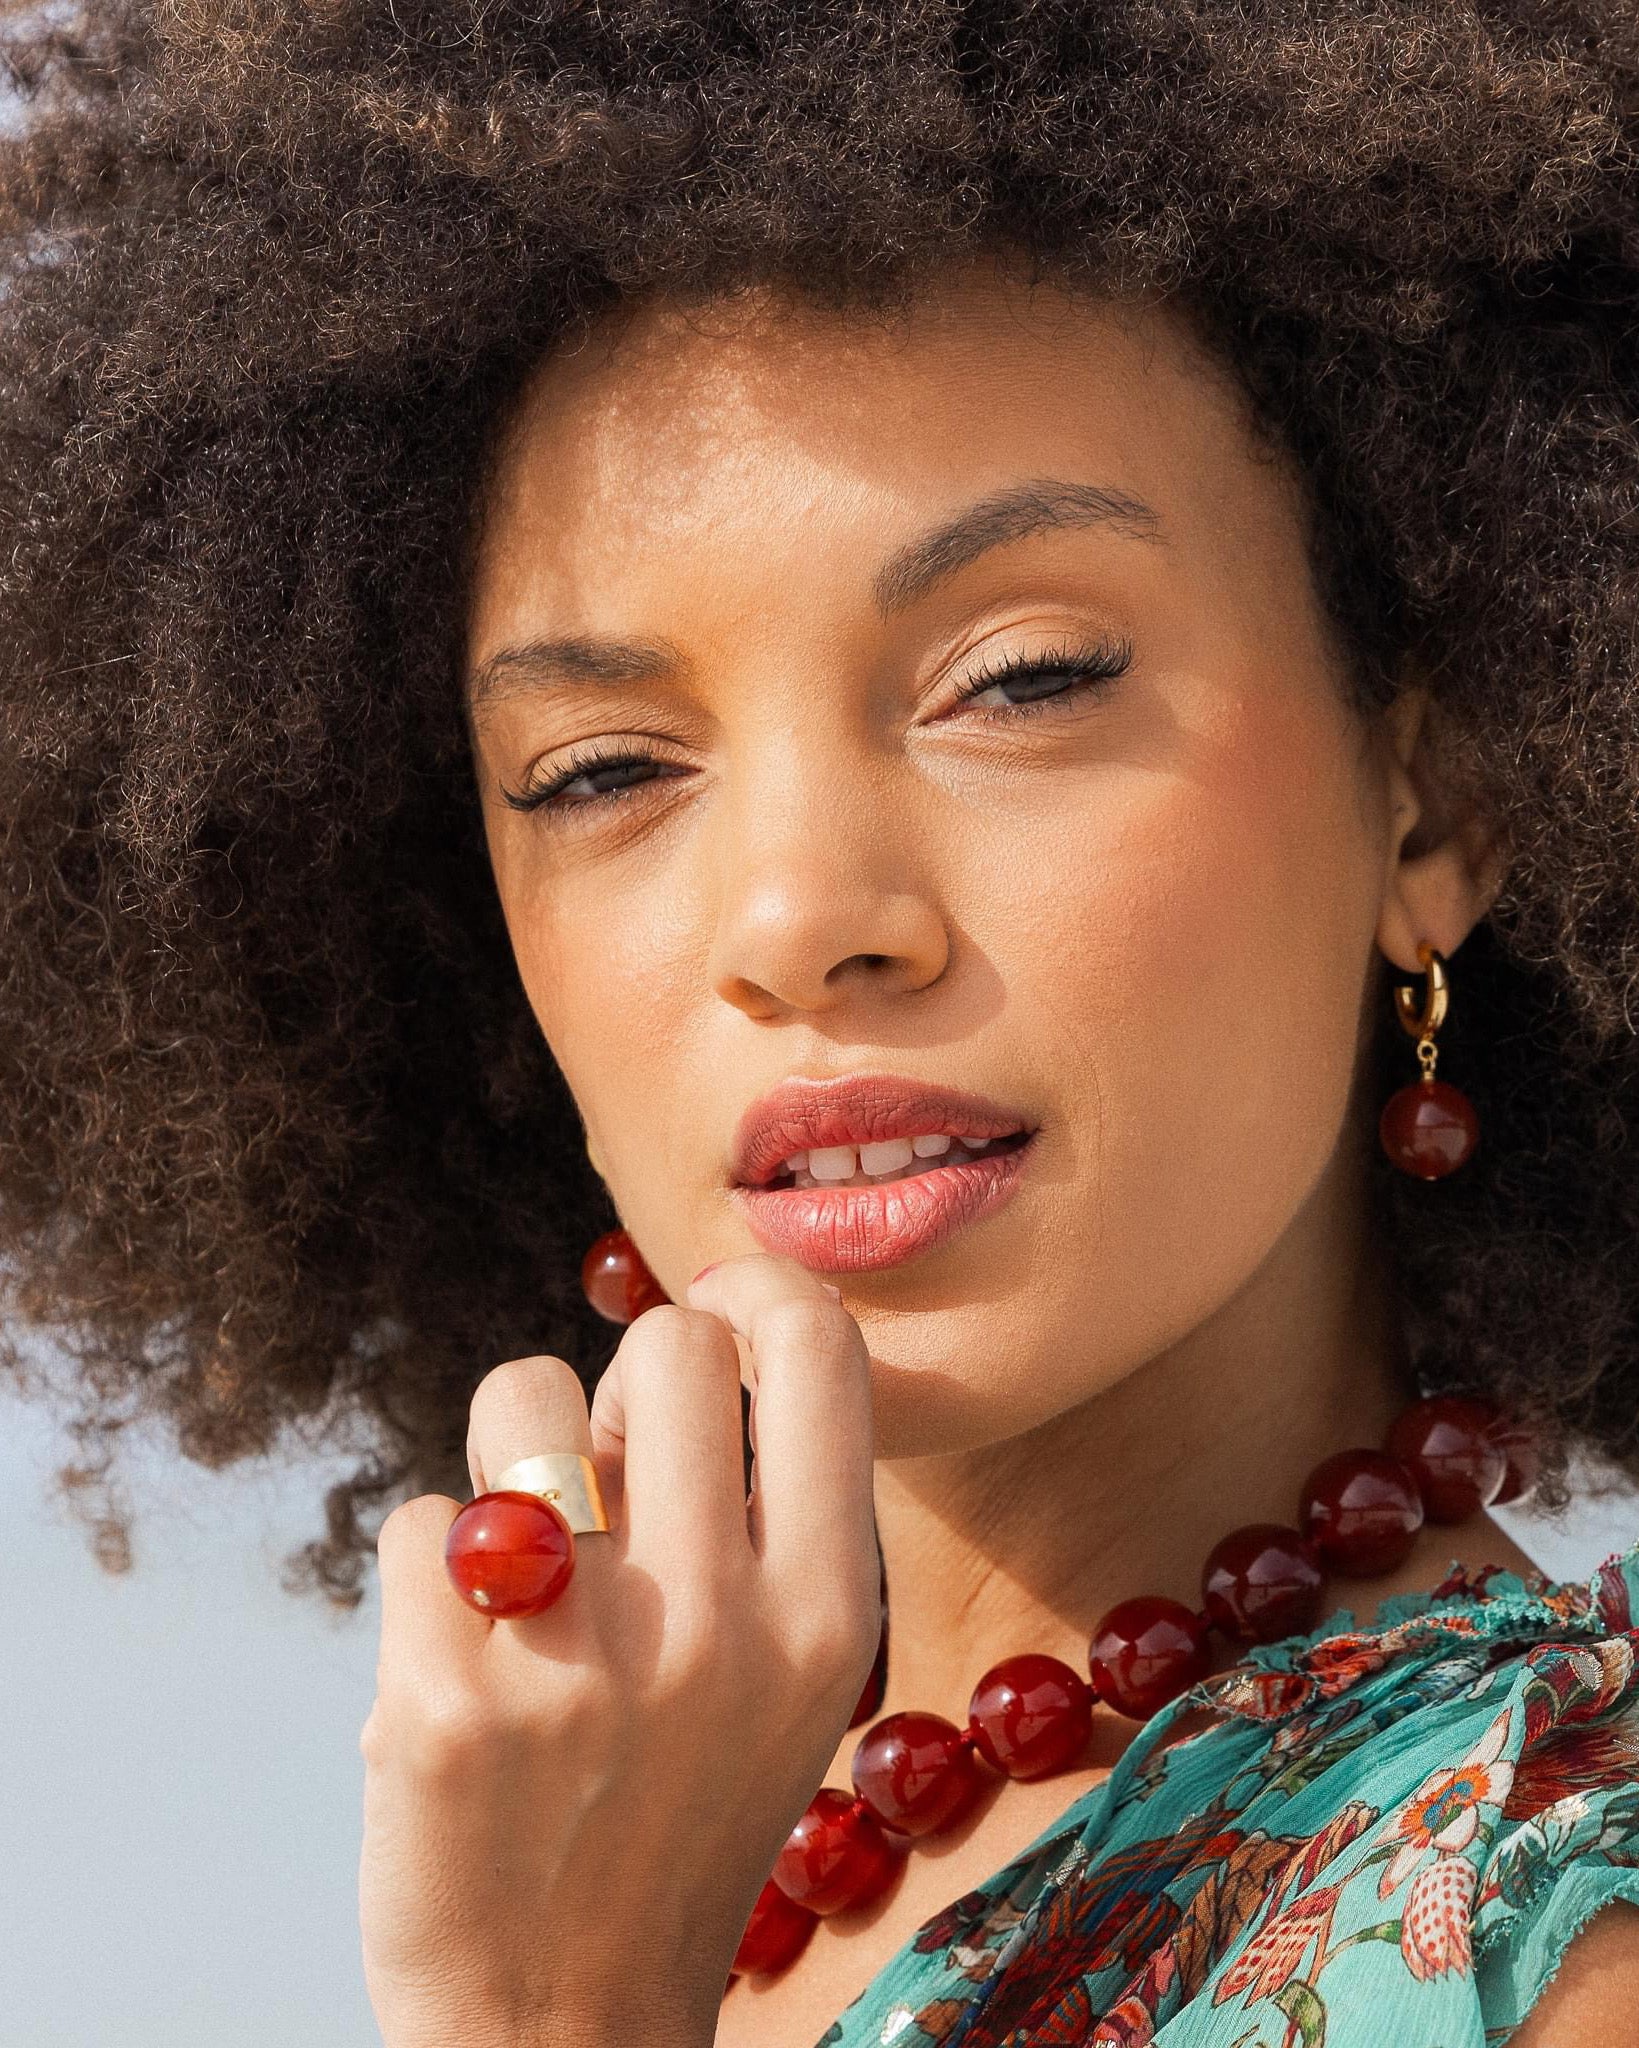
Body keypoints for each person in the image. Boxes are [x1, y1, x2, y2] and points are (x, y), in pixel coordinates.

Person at [2, 5, 1637, 2045]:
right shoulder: (665, 1858)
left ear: (1439, 805)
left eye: (1021, 678)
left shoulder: (1547, 1939)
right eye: (600, 771)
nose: (795, 923)